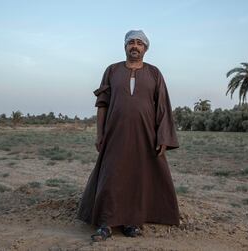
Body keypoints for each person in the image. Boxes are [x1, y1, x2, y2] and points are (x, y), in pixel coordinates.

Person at [77, 30, 180, 241]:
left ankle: (131, 223)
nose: (135, 46)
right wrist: (100, 133)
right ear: (125, 46)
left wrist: (163, 137)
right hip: (115, 134)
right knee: (111, 175)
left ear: (145, 48)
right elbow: (102, 105)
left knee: (138, 177)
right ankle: (105, 223)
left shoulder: (154, 73)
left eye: (139, 43)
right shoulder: (112, 71)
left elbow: (162, 107)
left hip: (145, 135)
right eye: (131, 42)